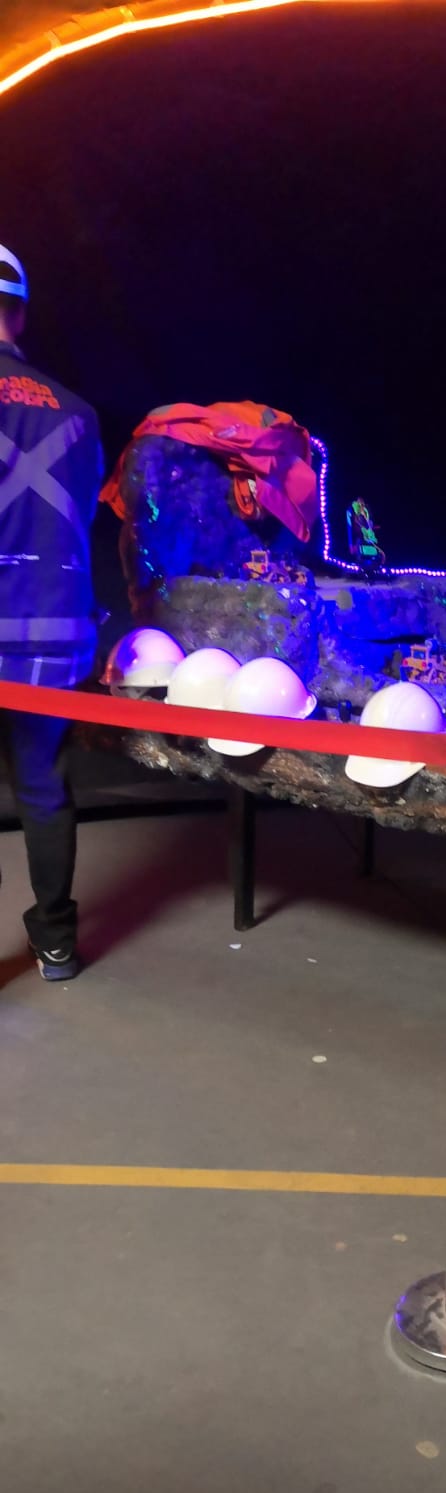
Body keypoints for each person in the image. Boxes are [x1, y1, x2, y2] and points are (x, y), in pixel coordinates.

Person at [0, 246, 105, 980]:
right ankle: (57, 943)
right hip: (53, 631)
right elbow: (78, 519)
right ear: (21, 311)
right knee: (43, 788)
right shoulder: (79, 413)